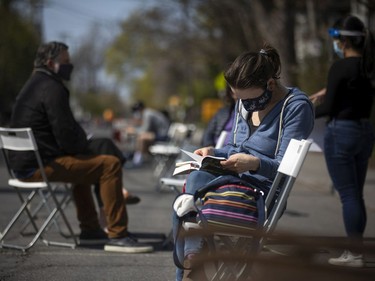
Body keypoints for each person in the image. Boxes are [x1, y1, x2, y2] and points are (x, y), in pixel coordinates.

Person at [172, 43, 315, 280]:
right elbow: (234, 148)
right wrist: (213, 151)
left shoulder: (295, 107)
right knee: (193, 181)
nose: (244, 106)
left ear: (270, 84)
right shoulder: (244, 101)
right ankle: (193, 255)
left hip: (262, 191)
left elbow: (284, 168)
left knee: (188, 201)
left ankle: (191, 262)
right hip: (231, 178)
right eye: (239, 99)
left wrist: (254, 163)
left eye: (248, 100)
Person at [9, 41, 153, 253]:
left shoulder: (32, 85)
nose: (70, 65)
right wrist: (83, 146)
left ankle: (90, 229)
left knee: (87, 163)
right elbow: (66, 134)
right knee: (109, 164)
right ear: (51, 63)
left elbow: (62, 133)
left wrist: (82, 147)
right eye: (66, 62)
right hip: (39, 166)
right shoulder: (53, 88)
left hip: (23, 165)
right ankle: (117, 234)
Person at [310, 15, 375, 267]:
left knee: (348, 196)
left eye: (336, 39)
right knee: (356, 195)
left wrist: (305, 112)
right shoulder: (368, 68)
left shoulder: (340, 68)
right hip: (364, 131)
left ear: (343, 42)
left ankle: (354, 254)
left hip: (341, 133)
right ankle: (356, 251)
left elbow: (329, 107)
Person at [129, 101, 171, 166]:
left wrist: (134, 131)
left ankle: (137, 161)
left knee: (142, 137)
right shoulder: (147, 112)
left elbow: (145, 129)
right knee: (142, 136)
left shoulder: (147, 114)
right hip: (161, 134)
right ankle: (137, 159)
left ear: (140, 109)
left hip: (164, 135)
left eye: (136, 110)